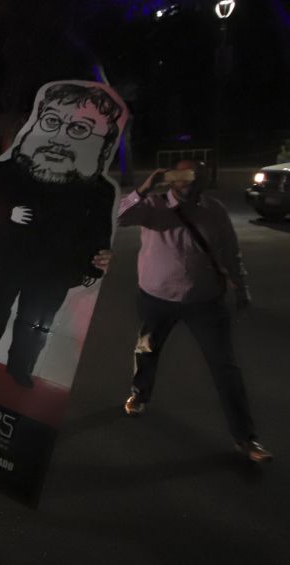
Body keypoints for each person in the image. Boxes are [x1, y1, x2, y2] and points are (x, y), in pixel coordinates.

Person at [0, 82, 123, 387]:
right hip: (3, 259)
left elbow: (98, 232)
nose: (59, 138)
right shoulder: (6, 171)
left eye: (79, 129)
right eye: (52, 122)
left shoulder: (98, 191)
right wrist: (6, 213)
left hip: (54, 270)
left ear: (103, 143)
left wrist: (96, 261)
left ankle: (20, 368)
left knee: (36, 324)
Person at [117, 160, 272, 463]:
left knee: (225, 368)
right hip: (156, 298)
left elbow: (230, 250)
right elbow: (119, 217)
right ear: (171, 177)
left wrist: (241, 288)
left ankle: (246, 438)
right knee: (147, 350)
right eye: (183, 173)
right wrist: (144, 187)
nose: (190, 180)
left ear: (203, 179)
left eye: (196, 174)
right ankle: (140, 394)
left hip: (205, 301)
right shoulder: (153, 206)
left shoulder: (214, 210)